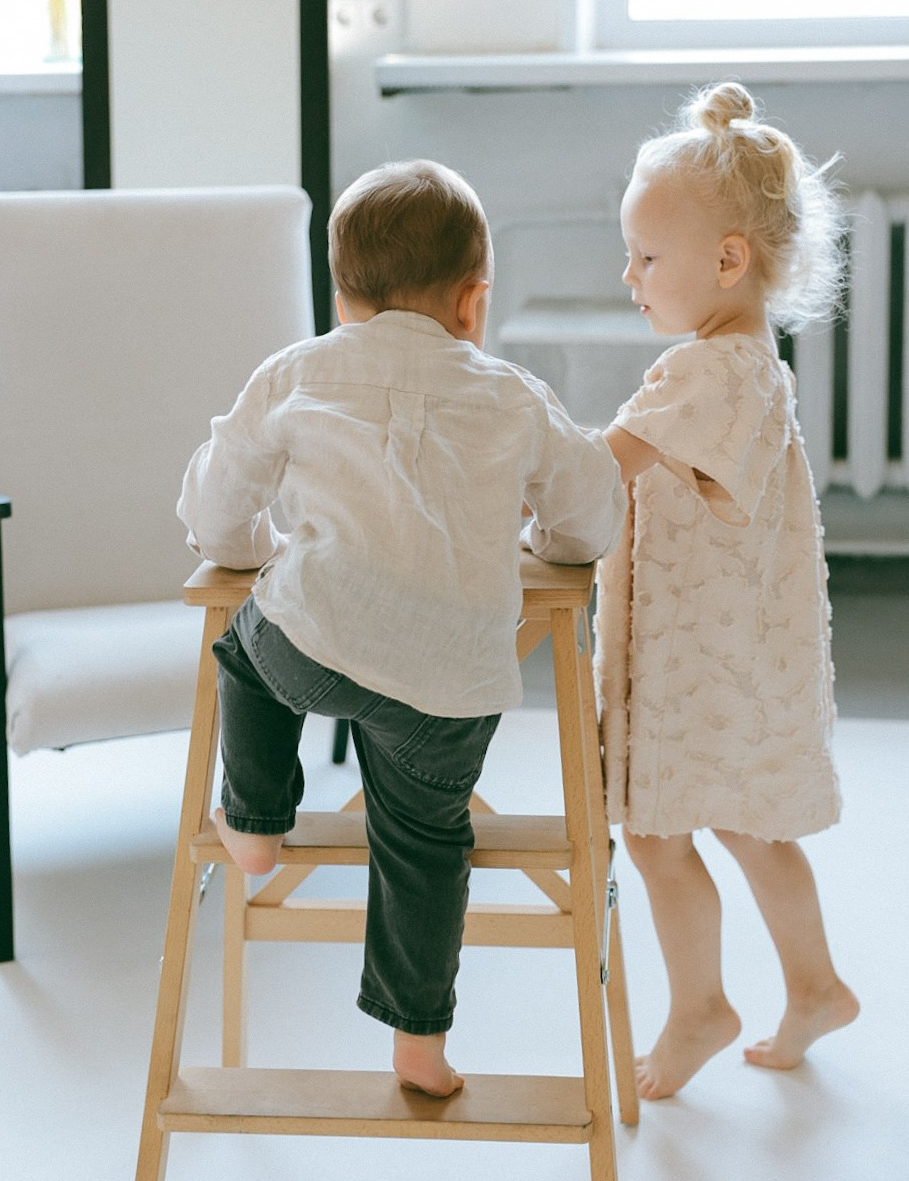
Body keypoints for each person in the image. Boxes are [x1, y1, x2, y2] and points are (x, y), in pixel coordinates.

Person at [178, 159, 626, 1098]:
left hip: (314, 647)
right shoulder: (513, 394)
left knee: (245, 650)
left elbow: (220, 504)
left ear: (342, 297)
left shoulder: (296, 371)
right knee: (425, 848)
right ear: (473, 302)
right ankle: (418, 1041)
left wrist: (247, 547)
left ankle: (255, 823)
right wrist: (544, 536)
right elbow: (593, 513)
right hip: (451, 690)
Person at [595, 82, 860, 1102]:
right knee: (754, 824)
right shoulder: (749, 361)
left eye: (645, 258)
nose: (630, 278)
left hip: (696, 661)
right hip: (742, 647)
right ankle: (814, 985)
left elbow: (599, 470)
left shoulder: (701, 375)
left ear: (727, 260)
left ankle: (702, 1007)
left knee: (659, 832)